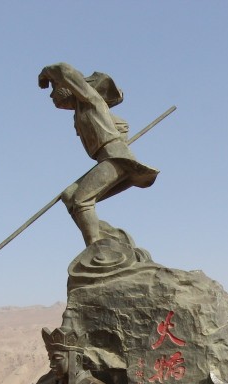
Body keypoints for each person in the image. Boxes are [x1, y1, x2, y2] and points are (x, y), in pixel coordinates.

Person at [37, 62, 159, 247]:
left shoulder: (91, 100)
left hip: (115, 158)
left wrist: (45, 73)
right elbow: (123, 125)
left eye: (56, 90)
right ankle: (110, 238)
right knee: (70, 195)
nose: (53, 97)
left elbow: (65, 70)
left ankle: (95, 247)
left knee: (81, 202)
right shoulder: (82, 112)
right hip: (107, 159)